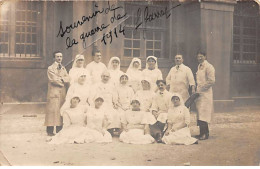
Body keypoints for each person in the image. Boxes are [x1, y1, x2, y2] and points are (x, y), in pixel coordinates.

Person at [44, 51, 70, 136]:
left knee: (60, 110)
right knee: (52, 111)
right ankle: (50, 131)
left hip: (62, 92)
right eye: (57, 56)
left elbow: (68, 78)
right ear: (54, 58)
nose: (59, 58)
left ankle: (59, 130)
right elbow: (53, 80)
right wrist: (63, 80)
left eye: (61, 57)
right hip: (53, 92)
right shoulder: (50, 68)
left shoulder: (63, 68)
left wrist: (61, 78)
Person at [90, 70, 121, 136]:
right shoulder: (96, 85)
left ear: (109, 78)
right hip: (99, 105)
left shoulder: (112, 86)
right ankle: (103, 129)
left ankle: (111, 129)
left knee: (115, 113)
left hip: (109, 104)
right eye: (104, 76)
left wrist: (115, 103)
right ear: (101, 77)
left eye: (107, 76)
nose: (105, 78)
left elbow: (114, 96)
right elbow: (92, 96)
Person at [195, 51, 215, 140]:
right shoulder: (199, 66)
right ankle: (201, 133)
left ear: (205, 57)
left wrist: (202, 88)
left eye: (201, 56)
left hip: (206, 93)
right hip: (199, 93)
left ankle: (205, 134)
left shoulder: (209, 67)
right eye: (198, 56)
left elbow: (211, 81)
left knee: (204, 113)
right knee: (199, 113)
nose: (200, 58)